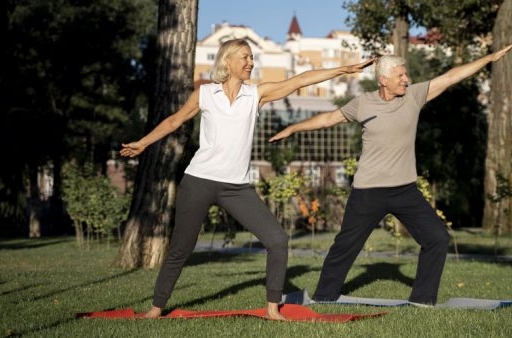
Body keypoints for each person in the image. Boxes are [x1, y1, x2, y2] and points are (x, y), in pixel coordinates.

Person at [121, 38, 375, 319]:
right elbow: (173, 122)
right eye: (245, 57)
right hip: (199, 180)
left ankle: (272, 308)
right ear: (227, 61)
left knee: (277, 239)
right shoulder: (205, 94)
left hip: (237, 187)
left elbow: (300, 80)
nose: (250, 63)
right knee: (181, 247)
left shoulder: (256, 95)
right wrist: (143, 143)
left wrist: (343, 70)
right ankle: (156, 308)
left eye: (252, 58)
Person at [269, 43, 512, 306]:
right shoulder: (363, 103)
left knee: (437, 238)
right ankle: (324, 296)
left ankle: (422, 299)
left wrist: (489, 58)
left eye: (406, 75)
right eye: (401, 76)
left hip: (404, 190)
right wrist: (293, 128)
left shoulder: (414, 95)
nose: (406, 80)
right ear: (383, 80)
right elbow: (329, 118)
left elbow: (451, 76)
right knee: (345, 246)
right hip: (368, 190)